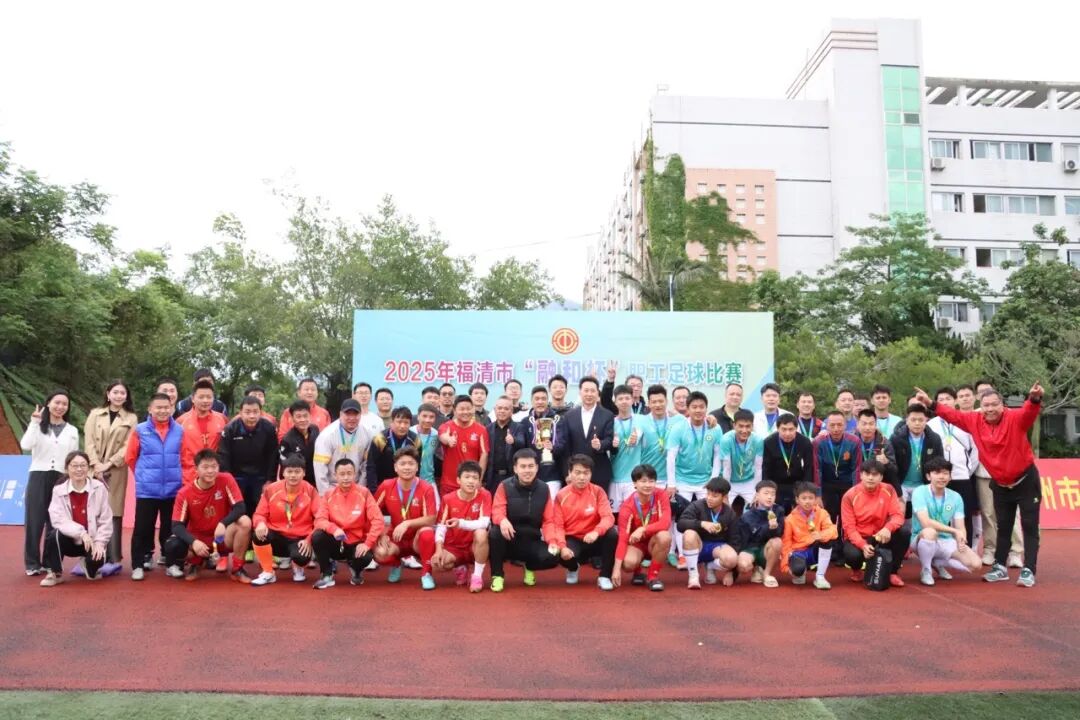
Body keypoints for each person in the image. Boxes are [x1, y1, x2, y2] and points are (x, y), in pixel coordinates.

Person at [914, 383, 1043, 587]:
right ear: (980, 406)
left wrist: (1034, 398)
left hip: (1025, 481)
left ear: (1002, 405)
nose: (990, 409)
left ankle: (1029, 569)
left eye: (994, 404)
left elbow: (1029, 412)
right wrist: (931, 403)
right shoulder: (974, 420)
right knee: (1002, 525)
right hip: (1000, 483)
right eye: (986, 405)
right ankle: (999, 566)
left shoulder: (1015, 418)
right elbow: (953, 415)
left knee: (1029, 525)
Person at [956, 383, 1023, 567]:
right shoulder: (974, 417)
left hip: (1007, 473)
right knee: (988, 513)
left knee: (1011, 513)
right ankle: (990, 550)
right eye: (981, 393)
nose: (989, 404)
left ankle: (1015, 552)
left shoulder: (1007, 415)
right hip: (983, 473)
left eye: (989, 392)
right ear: (978, 397)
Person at [163, 449, 252, 583]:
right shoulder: (184, 493)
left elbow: (240, 507)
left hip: (221, 536)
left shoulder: (226, 479)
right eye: (205, 467)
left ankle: (237, 569)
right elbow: (176, 526)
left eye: (214, 466)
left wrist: (223, 523)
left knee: (245, 522)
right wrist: (193, 542)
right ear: (196, 469)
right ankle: (197, 563)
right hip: (199, 540)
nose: (210, 471)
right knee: (172, 546)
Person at [488, 450, 567, 592]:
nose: (527, 470)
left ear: (537, 467)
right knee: (495, 533)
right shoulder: (504, 486)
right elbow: (497, 510)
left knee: (553, 556)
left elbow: (548, 521)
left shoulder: (544, 488)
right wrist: (503, 520)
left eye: (531, 466)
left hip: (531, 538)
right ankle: (497, 575)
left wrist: (552, 541)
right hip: (509, 537)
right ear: (515, 468)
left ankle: (529, 566)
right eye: (523, 466)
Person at [21, 390, 80, 576]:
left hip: (61, 477)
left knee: (55, 521)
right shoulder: (38, 426)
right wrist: (34, 422)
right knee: (34, 520)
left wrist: (73, 479)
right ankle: (32, 563)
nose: (60, 407)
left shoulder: (72, 430)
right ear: (48, 403)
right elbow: (25, 445)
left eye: (64, 404)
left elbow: (73, 457)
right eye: (57, 402)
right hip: (38, 475)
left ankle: (49, 562)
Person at [124, 393, 184, 579]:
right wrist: (144, 476)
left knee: (170, 529)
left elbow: (184, 456)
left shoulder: (179, 430)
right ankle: (137, 565)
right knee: (142, 528)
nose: (162, 411)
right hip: (147, 490)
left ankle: (171, 563)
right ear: (150, 409)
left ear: (172, 409)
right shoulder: (140, 430)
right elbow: (130, 457)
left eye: (166, 407)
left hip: (173, 489)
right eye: (158, 407)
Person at [83, 380, 136, 576]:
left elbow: (128, 445)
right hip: (93, 469)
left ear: (126, 396)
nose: (119, 396)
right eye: (115, 392)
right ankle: (92, 556)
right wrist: (95, 464)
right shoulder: (95, 414)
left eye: (122, 393)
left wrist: (108, 464)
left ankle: (113, 556)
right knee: (93, 511)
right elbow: (88, 441)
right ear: (108, 394)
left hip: (116, 470)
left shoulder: (131, 418)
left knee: (114, 512)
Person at [39, 452, 113, 587]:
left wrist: (100, 542)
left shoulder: (99, 488)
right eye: (74, 466)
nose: (79, 469)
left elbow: (106, 520)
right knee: (54, 535)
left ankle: (89, 565)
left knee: (95, 568)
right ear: (67, 468)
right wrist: (81, 533)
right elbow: (58, 519)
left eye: (83, 465)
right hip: (70, 540)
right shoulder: (58, 490)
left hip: (92, 541)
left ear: (88, 468)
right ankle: (55, 573)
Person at [667, 392, 723, 567]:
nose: (698, 410)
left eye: (701, 407)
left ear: (706, 408)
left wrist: (713, 481)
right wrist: (672, 484)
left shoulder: (715, 428)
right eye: (694, 407)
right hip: (682, 481)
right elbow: (671, 457)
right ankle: (682, 555)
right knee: (682, 519)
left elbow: (717, 456)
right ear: (688, 409)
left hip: (705, 482)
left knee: (709, 516)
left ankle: (705, 554)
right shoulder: (679, 428)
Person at [311, 459, 385, 589]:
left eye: (349, 473)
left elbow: (378, 520)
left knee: (365, 557)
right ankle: (326, 574)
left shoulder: (364, 493)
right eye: (342, 474)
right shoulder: (328, 494)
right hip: (336, 541)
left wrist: (368, 543)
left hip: (356, 543)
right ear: (335, 475)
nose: (346, 478)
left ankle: (356, 570)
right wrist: (334, 529)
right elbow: (319, 520)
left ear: (355, 474)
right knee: (317, 536)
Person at [372, 447, 439, 589]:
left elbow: (431, 518)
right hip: (396, 538)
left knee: (427, 532)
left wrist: (407, 523)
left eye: (411, 463)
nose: (407, 467)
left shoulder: (426, 488)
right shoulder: (386, 486)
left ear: (417, 467)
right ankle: (396, 563)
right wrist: (381, 533)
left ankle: (426, 574)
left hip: (417, 539)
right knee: (380, 553)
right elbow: (372, 512)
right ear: (395, 467)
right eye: (402, 464)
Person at [250, 454, 321, 586]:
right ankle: (268, 572)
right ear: (283, 473)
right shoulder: (271, 490)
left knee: (301, 558)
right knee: (258, 535)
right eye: (289, 471)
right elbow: (259, 513)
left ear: (304, 473)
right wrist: (260, 523)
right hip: (277, 536)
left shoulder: (311, 491)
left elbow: (320, 518)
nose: (293, 475)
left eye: (297, 472)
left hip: (299, 539)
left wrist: (308, 539)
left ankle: (298, 567)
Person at [911, 458, 982, 586]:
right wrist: (954, 531)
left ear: (950, 477)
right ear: (928, 476)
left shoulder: (955, 497)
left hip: (945, 540)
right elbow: (926, 522)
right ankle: (926, 570)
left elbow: (960, 526)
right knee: (930, 532)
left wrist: (961, 538)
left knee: (976, 564)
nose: (942, 477)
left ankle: (936, 562)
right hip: (921, 538)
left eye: (945, 473)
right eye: (937, 473)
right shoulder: (919, 492)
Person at [551, 454, 618, 590]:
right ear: (570, 473)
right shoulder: (561, 495)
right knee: (557, 552)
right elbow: (558, 525)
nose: (582, 477)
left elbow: (608, 517)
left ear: (591, 474)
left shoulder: (598, 491)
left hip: (594, 538)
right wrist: (563, 547)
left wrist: (596, 532)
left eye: (586, 473)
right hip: (573, 539)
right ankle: (573, 567)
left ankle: (604, 576)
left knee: (612, 534)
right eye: (577, 472)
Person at [840, 459, 910, 587]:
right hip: (860, 536)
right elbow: (849, 528)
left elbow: (898, 515)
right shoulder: (849, 495)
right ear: (861, 475)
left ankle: (893, 572)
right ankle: (856, 569)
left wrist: (888, 528)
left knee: (904, 531)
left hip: (881, 535)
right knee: (852, 555)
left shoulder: (889, 489)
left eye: (875, 474)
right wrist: (863, 545)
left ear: (881, 477)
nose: (871, 478)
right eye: (867, 474)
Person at [218, 395, 280, 537]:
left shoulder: (268, 428)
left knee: (261, 510)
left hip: (260, 477)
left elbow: (273, 455)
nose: (252, 416)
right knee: (239, 511)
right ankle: (240, 543)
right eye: (247, 412)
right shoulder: (230, 429)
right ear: (240, 412)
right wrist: (228, 480)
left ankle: (258, 540)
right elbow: (224, 456)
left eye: (255, 412)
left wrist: (270, 480)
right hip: (237, 477)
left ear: (260, 412)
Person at [928, 387, 980, 545]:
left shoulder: (965, 420)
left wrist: (967, 470)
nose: (945, 402)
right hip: (938, 478)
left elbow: (975, 451)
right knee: (938, 514)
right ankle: (940, 548)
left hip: (962, 476)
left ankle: (965, 547)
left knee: (964, 514)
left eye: (948, 399)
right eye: (941, 400)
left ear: (955, 400)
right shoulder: (931, 424)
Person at [432, 461, 491, 593]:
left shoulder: (485, 495)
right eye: (467, 477)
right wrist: (438, 550)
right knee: (437, 564)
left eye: (475, 478)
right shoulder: (448, 499)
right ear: (458, 480)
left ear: (479, 481)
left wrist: (461, 523)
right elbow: (441, 526)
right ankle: (460, 567)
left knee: (481, 533)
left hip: (474, 546)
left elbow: (484, 522)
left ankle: (477, 576)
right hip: (455, 546)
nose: (471, 481)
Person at [612, 464, 671, 591]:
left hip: (654, 541)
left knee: (665, 536)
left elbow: (665, 523)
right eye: (643, 481)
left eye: (651, 481)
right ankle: (637, 572)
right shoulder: (627, 507)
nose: (648, 485)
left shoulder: (661, 495)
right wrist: (616, 570)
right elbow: (622, 539)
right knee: (628, 564)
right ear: (635, 483)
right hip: (636, 544)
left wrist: (643, 529)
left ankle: (652, 577)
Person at [677, 476, 738, 589]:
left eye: (714, 496)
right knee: (689, 534)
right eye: (708, 494)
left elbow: (735, 541)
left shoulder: (730, 513)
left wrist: (731, 572)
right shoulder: (697, 505)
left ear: (724, 497)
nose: (709, 498)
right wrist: (702, 524)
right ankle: (693, 575)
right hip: (697, 545)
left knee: (732, 559)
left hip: (716, 548)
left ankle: (710, 566)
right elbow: (681, 524)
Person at [558, 376, 615, 494]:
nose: (589, 394)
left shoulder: (607, 415)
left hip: (599, 471)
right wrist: (567, 472)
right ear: (580, 392)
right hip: (576, 473)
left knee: (599, 504)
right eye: (586, 390)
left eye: (593, 391)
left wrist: (600, 444)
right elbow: (566, 447)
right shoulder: (569, 416)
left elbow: (610, 440)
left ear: (597, 393)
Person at [812, 410, 861, 538]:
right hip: (827, 484)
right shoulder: (818, 442)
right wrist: (818, 494)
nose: (836, 429)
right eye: (832, 425)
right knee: (828, 516)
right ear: (826, 425)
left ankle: (846, 542)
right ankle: (830, 542)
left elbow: (856, 469)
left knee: (847, 516)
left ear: (845, 425)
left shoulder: (854, 441)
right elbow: (817, 469)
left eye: (839, 425)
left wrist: (856, 493)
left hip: (847, 484)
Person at [781, 481, 837, 590]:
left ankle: (820, 576)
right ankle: (801, 571)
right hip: (798, 552)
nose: (807, 501)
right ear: (797, 500)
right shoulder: (790, 519)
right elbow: (786, 543)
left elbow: (833, 530)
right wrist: (785, 566)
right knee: (797, 571)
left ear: (815, 499)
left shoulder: (822, 513)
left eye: (811, 498)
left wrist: (821, 535)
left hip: (814, 549)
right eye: (804, 498)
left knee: (827, 540)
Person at [313, 399, 374, 494]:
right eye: (348, 414)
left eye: (355, 414)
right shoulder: (327, 435)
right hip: (333, 486)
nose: (352, 418)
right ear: (340, 414)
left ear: (360, 415)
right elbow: (320, 468)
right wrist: (326, 494)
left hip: (356, 486)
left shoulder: (367, 433)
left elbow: (366, 465)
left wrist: (360, 489)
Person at [890, 403, 944, 508]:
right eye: (913, 420)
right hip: (902, 484)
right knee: (899, 513)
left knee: (922, 515)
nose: (917, 423)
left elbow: (939, 463)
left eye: (921, 420)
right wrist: (896, 486)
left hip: (924, 484)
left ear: (926, 420)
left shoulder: (934, 439)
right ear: (907, 420)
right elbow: (892, 464)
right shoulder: (896, 438)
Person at [176, 379, 228, 485]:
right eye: (201, 397)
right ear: (193, 398)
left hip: (214, 475)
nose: (205, 400)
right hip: (189, 477)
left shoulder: (222, 419)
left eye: (209, 397)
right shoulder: (181, 421)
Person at [734, 480, 785, 587]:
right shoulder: (747, 515)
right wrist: (732, 574)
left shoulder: (779, 510)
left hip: (767, 549)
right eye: (766, 493)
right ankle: (755, 569)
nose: (770, 497)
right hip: (750, 548)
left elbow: (780, 533)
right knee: (743, 565)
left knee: (777, 542)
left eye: (773, 494)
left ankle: (767, 573)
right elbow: (744, 539)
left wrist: (774, 528)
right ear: (757, 495)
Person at [438, 395, 490, 495]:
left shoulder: (481, 430)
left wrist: (479, 479)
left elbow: (484, 454)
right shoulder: (446, 426)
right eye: (461, 409)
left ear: (473, 409)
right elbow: (443, 436)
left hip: (471, 484)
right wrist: (449, 440)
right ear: (454, 410)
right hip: (449, 483)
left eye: (468, 408)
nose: (465, 412)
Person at [608, 384, 650, 509]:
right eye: (620, 399)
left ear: (632, 400)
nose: (624, 401)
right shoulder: (611, 423)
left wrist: (636, 438)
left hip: (634, 479)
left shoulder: (642, 420)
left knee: (634, 513)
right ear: (615, 402)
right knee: (614, 514)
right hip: (614, 477)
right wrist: (612, 445)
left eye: (627, 398)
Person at [762, 413, 814, 510]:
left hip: (798, 484)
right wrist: (767, 489)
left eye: (791, 429)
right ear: (778, 429)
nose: (787, 433)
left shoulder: (805, 442)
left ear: (796, 428)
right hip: (776, 484)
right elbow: (766, 468)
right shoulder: (769, 442)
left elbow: (809, 467)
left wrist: (806, 490)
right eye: (784, 429)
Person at [517, 386, 562, 495]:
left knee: (551, 504)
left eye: (543, 399)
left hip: (553, 474)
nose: (540, 402)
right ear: (532, 401)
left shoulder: (558, 420)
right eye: (537, 399)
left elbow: (564, 445)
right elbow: (522, 447)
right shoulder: (525, 422)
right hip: (530, 474)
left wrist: (553, 447)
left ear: (548, 400)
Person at [717, 408, 763, 513]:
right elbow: (727, 468)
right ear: (734, 425)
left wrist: (758, 491)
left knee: (759, 506)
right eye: (741, 426)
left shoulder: (758, 440)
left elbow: (758, 467)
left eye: (748, 426)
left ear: (752, 426)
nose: (744, 430)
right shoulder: (726, 439)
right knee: (722, 509)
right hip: (729, 481)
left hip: (749, 480)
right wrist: (725, 493)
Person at [367, 406, 421, 491]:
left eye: (406, 422)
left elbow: (417, 466)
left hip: (406, 486)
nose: (402, 426)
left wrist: (414, 488)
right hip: (382, 485)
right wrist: (373, 490)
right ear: (392, 422)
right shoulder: (380, 439)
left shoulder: (416, 440)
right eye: (399, 422)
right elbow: (371, 466)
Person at [278, 400, 320, 487]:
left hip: (316, 480)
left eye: (305, 416)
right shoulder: (287, 440)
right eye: (298, 416)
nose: (302, 420)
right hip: (298, 483)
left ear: (310, 416)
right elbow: (284, 468)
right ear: (292, 418)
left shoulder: (315, 430)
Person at [854, 408, 898, 491]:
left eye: (871, 424)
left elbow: (894, 471)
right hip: (855, 485)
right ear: (858, 424)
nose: (867, 427)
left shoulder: (884, 443)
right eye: (864, 424)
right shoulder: (851, 442)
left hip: (878, 485)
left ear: (876, 425)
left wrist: (886, 463)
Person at [484, 396, 522, 493]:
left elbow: (523, 443)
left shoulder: (519, 427)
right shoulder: (488, 429)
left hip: (512, 476)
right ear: (495, 409)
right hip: (492, 478)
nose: (502, 411)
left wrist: (514, 441)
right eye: (499, 408)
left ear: (511, 411)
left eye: (506, 409)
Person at [412, 403, 442, 486]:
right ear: (418, 416)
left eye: (431, 417)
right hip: (410, 479)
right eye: (424, 416)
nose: (427, 420)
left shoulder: (436, 435)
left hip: (429, 480)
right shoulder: (410, 432)